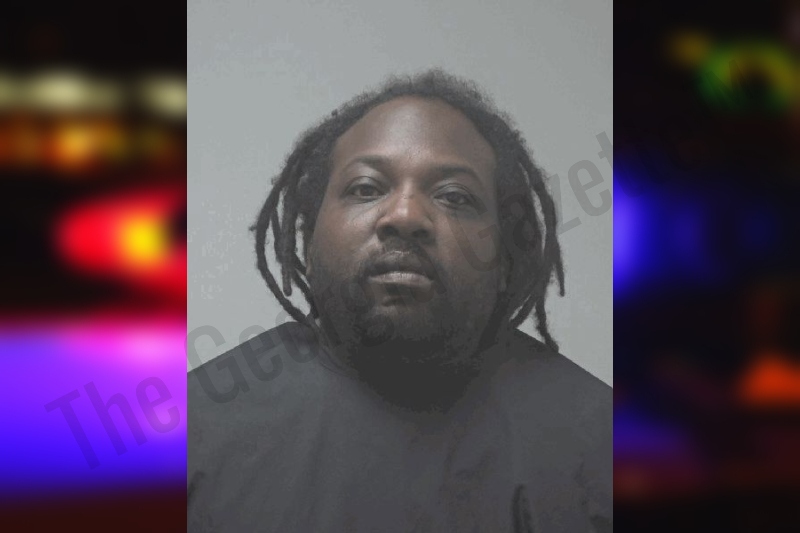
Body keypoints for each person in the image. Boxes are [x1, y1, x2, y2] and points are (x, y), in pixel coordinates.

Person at [188, 69, 612, 532]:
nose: (406, 215)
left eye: (455, 197)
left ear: (505, 255)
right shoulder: (191, 433)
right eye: (366, 189)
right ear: (309, 237)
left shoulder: (604, 446)